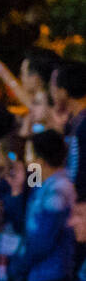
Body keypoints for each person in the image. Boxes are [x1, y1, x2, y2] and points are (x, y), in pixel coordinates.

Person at [11, 131, 76, 281]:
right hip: (35, 272)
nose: (26, 160)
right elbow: (26, 210)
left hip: (50, 274)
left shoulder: (60, 187)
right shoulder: (41, 184)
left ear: (40, 159)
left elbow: (44, 237)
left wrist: (20, 267)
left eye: (29, 153)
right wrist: (17, 190)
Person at [49, 61, 86, 202]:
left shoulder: (80, 126)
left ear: (63, 92)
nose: (52, 93)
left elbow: (37, 182)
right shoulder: (72, 125)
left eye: (54, 87)